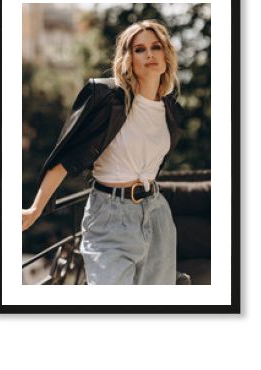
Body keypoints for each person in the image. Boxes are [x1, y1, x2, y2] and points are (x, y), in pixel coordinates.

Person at [22, 19, 186, 285]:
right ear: (128, 58)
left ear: (166, 55)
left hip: (156, 215)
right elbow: (66, 159)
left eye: (156, 46)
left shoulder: (171, 111)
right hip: (110, 216)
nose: (149, 54)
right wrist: (35, 209)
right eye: (139, 49)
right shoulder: (107, 99)